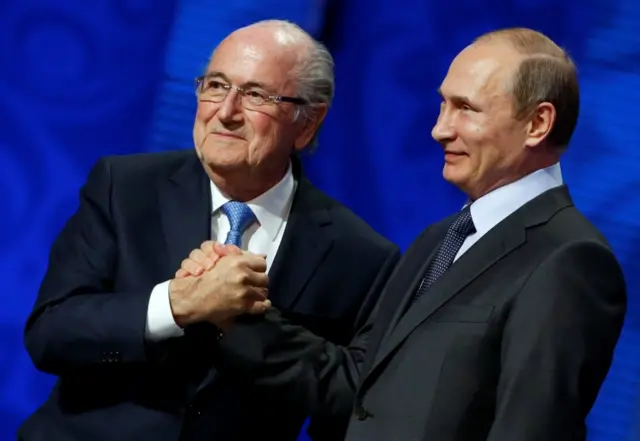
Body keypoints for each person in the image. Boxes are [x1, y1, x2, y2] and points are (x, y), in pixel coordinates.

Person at [182, 28, 627, 441]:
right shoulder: (440, 238)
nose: (440, 129)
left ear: (538, 124)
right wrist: (234, 311)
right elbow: (358, 384)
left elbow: (531, 429)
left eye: (466, 109)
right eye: (443, 105)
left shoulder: (568, 259)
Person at [19, 20, 400, 441]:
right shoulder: (123, 188)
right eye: (216, 85)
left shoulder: (359, 254)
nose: (225, 112)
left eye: (255, 95)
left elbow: (350, 401)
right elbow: (52, 333)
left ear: (307, 123)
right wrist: (178, 303)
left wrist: (243, 317)